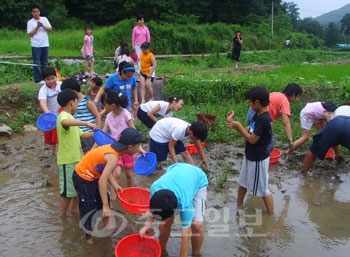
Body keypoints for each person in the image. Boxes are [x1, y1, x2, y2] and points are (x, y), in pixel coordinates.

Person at [73, 128, 143, 244]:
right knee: (88, 206)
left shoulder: (114, 150)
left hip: (93, 174)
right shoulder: (113, 157)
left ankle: (107, 225)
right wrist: (106, 206)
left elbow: (104, 170)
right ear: (130, 147)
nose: (137, 149)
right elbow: (102, 182)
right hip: (82, 177)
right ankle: (88, 238)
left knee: (103, 198)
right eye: (137, 146)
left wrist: (115, 184)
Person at [139, 162, 208, 257]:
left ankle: (196, 254)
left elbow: (186, 236)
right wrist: (147, 225)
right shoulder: (155, 188)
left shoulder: (185, 205)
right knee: (165, 222)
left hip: (198, 179)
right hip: (177, 169)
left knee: (197, 225)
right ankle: (161, 251)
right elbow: (154, 207)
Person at [226, 86, 274, 214]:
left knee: (263, 189)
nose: (249, 104)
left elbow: (253, 139)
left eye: (250, 102)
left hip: (258, 158)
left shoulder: (264, 119)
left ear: (257, 102)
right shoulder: (257, 115)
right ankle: (239, 206)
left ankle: (271, 216)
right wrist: (233, 122)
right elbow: (250, 129)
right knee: (242, 182)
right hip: (250, 155)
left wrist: (239, 127)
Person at [56, 88, 98, 217]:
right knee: (67, 192)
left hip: (77, 159)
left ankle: (73, 210)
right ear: (72, 102)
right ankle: (62, 216)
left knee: (76, 188)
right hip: (67, 161)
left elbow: (84, 135)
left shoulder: (72, 119)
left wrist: (98, 134)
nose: (77, 105)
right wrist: (86, 122)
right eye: (77, 102)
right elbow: (65, 122)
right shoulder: (64, 116)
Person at [101, 90, 146, 190]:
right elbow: (103, 133)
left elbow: (134, 131)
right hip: (116, 147)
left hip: (128, 148)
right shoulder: (108, 116)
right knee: (116, 173)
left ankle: (129, 193)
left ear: (112, 105)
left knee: (129, 175)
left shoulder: (126, 114)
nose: (104, 108)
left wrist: (140, 148)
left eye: (105, 105)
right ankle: (113, 196)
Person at [247, 83, 302, 152]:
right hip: (262, 118)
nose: (296, 99)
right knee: (269, 144)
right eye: (297, 97)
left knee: (253, 136)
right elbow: (286, 122)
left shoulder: (276, 94)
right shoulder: (285, 101)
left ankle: (253, 152)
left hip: (251, 113)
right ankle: (265, 159)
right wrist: (290, 140)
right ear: (293, 94)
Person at [301, 104, 350, 174]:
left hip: (335, 123)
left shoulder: (339, 109)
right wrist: (337, 153)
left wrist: (337, 152)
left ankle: (303, 173)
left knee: (313, 151)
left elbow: (333, 133)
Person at [61, 78, 101, 153]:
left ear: (73, 91)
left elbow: (97, 115)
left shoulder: (87, 101)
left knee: (90, 153)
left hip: (88, 133)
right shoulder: (70, 104)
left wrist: (98, 132)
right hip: (78, 134)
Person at [37, 67, 62, 154]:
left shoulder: (60, 85)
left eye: (53, 78)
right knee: (50, 135)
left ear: (56, 77)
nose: (51, 81)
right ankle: (54, 152)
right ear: (44, 80)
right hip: (49, 116)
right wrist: (47, 112)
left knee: (60, 133)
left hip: (60, 114)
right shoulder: (43, 90)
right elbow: (42, 102)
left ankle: (60, 150)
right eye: (48, 79)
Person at [27, 5, 52, 83]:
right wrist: (37, 27)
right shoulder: (30, 22)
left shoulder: (44, 19)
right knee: (36, 62)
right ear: (32, 13)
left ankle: (45, 78)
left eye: (37, 11)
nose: (36, 13)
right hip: (36, 45)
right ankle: (38, 79)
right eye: (34, 12)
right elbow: (30, 34)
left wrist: (42, 25)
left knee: (44, 62)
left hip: (45, 44)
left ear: (39, 12)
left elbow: (50, 29)